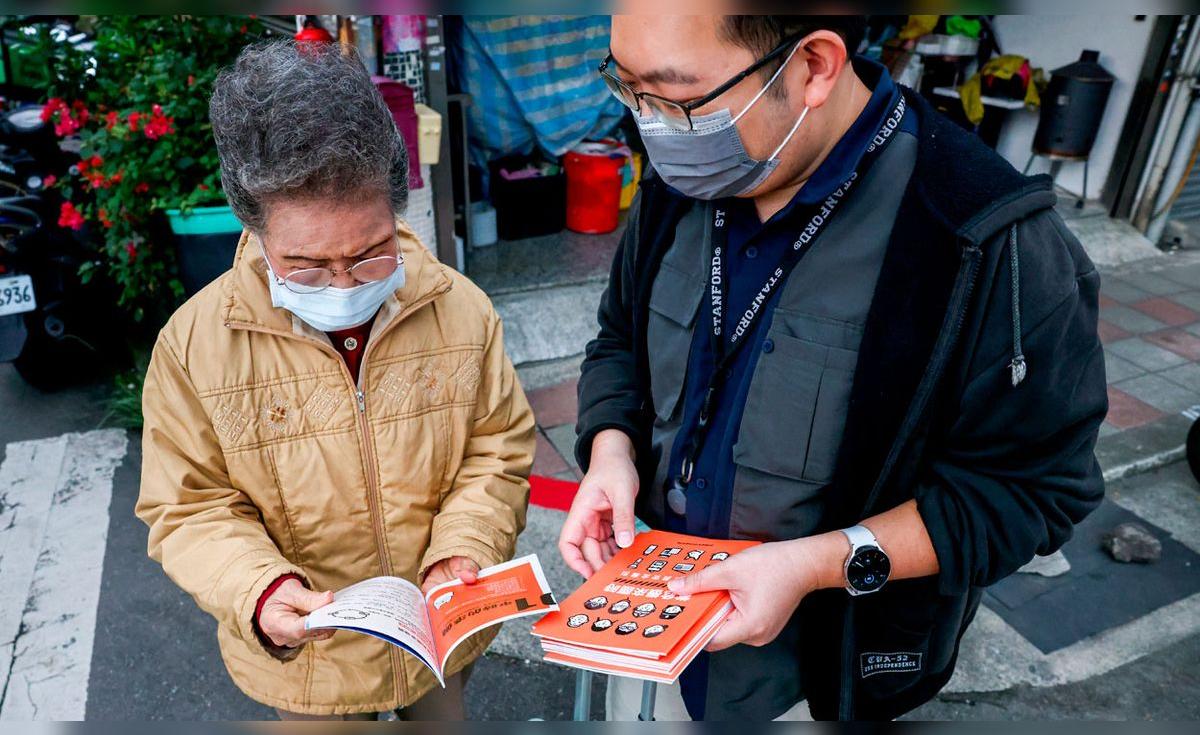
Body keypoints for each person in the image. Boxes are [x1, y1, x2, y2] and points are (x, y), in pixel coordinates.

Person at [560, 15, 1106, 721]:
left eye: (676, 100)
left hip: (821, 684)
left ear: (814, 64)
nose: (651, 130)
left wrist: (817, 562)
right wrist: (610, 451)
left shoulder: (981, 236)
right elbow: (617, 342)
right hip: (647, 634)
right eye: (628, 90)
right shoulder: (681, 181)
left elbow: (1034, 491)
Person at [136, 40, 535, 720]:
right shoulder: (195, 346)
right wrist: (262, 589)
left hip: (438, 638)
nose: (345, 282)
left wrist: (464, 546)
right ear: (253, 226)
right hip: (309, 664)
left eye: (371, 251)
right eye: (309, 265)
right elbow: (189, 506)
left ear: (395, 207)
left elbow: (495, 449)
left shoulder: (459, 309)